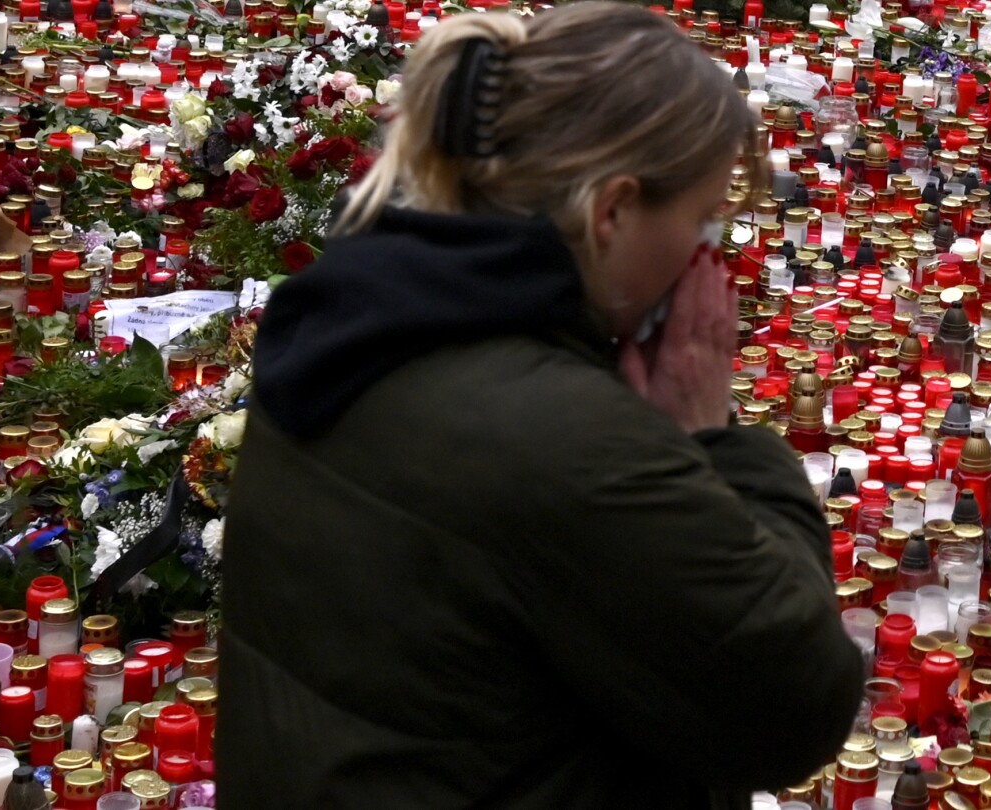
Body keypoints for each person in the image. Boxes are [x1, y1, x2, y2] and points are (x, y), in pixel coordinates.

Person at [216, 3, 866, 808]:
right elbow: (793, 702)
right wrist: (713, 437)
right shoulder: (566, 435)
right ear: (612, 212)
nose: (707, 257)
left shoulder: (347, 323)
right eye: (699, 221)